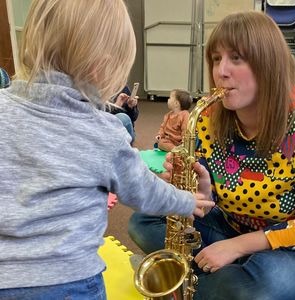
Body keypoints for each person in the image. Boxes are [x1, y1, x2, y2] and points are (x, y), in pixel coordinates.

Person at [0, 1, 214, 299]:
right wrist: (186, 200)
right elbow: (145, 191)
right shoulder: (103, 130)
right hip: (70, 281)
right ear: (102, 66)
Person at [129, 11, 295, 300]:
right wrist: (199, 192)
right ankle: (220, 278)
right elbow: (209, 203)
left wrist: (237, 247)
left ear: (268, 63)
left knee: (257, 290)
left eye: (236, 58)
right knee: (142, 221)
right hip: (229, 225)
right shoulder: (207, 117)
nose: (221, 71)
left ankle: (195, 278)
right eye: (216, 59)